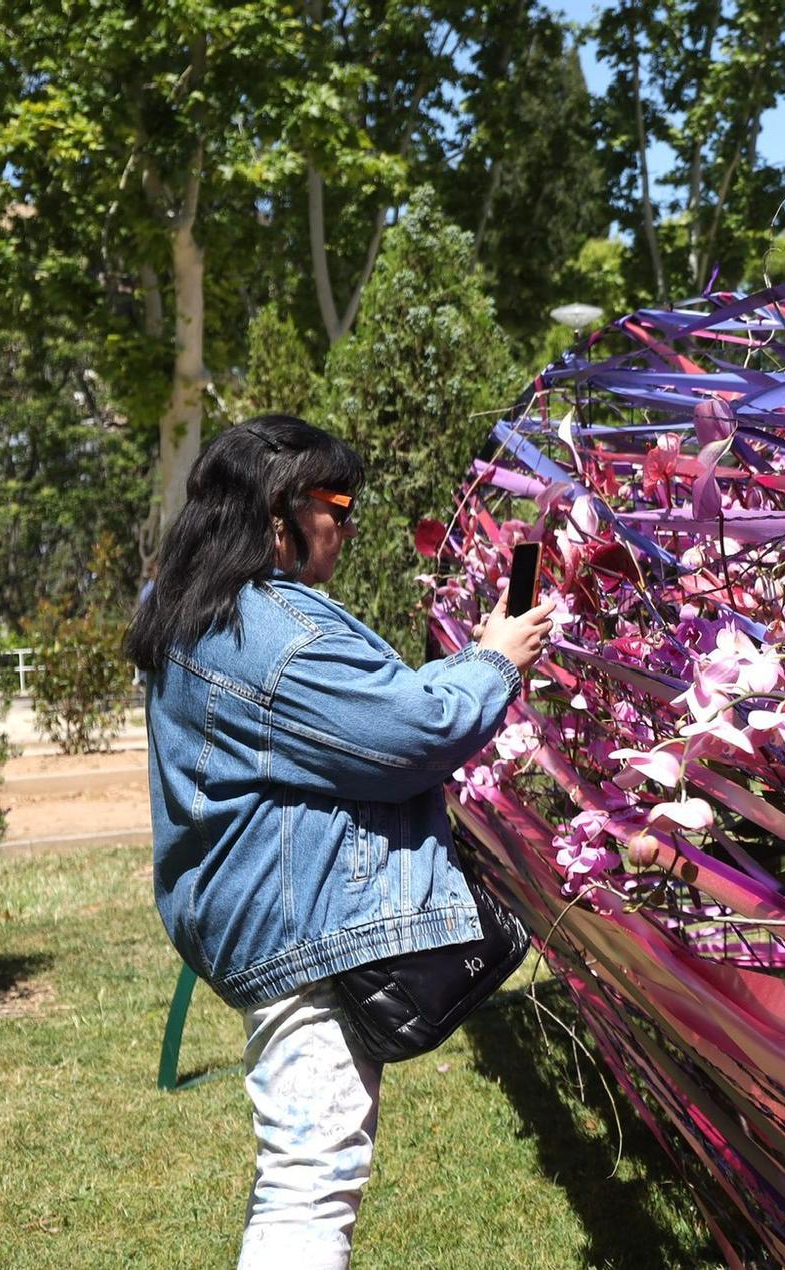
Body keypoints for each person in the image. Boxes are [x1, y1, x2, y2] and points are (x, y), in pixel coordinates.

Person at [126, 415, 554, 1268]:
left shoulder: (196, 606)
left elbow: (350, 723)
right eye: (341, 505)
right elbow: (409, 737)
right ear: (281, 511)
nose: (350, 527)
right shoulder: (270, 633)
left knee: (302, 1168)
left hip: (261, 926)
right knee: (310, 1182)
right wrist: (497, 664)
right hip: (302, 938)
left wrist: (470, 661)